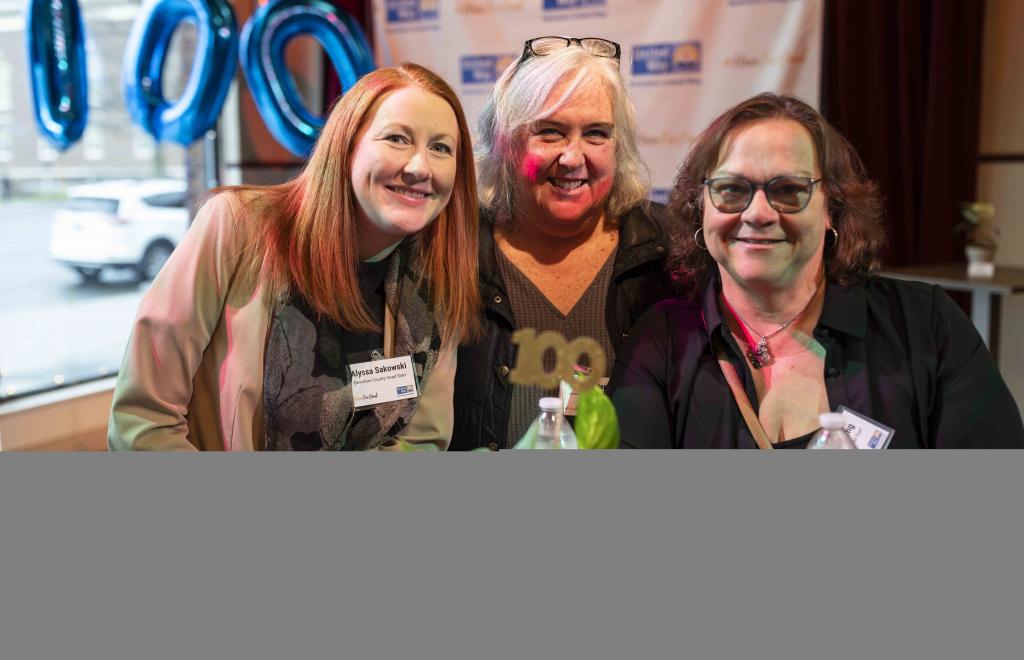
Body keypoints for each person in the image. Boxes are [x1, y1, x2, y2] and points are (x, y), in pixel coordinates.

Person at [608, 93, 1023, 448]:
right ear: (702, 208)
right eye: (731, 189)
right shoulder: (658, 343)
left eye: (788, 190)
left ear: (832, 208)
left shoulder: (926, 325)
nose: (758, 213)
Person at [108, 63, 480, 451]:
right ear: (347, 145)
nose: (420, 167)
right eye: (397, 139)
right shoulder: (237, 227)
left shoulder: (435, 278)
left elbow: (421, 442)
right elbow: (142, 422)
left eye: (440, 148)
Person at [450, 37, 671, 450]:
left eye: (596, 134)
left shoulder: (668, 252)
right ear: (505, 144)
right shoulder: (453, 251)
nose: (573, 157)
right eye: (549, 132)